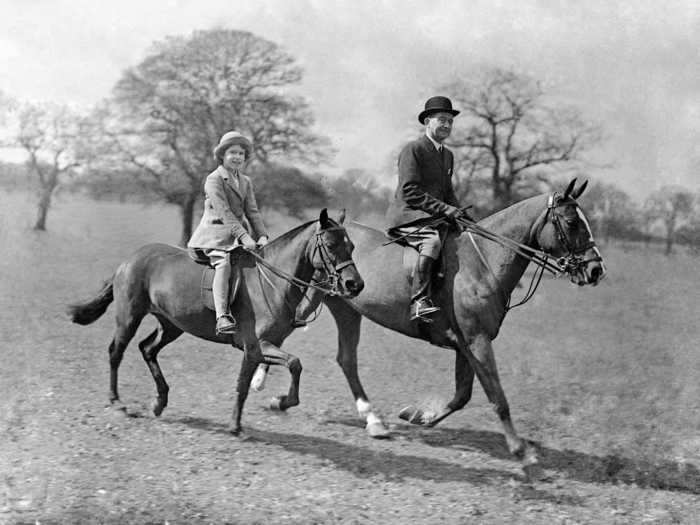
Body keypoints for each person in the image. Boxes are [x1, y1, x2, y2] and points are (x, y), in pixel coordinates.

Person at [386, 96, 471, 322]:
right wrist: (445, 209)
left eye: (450, 122)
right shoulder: (413, 149)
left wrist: (463, 215)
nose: (446, 125)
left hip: (434, 217)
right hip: (409, 215)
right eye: (442, 120)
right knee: (432, 242)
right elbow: (409, 191)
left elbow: (448, 193)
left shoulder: (448, 155)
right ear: (427, 122)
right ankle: (419, 301)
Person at [187, 131, 269, 335]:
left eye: (241, 153)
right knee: (223, 264)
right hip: (213, 238)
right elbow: (225, 213)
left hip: (237, 237)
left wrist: (262, 235)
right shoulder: (213, 180)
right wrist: (245, 237)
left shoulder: (245, 181)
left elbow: (252, 211)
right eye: (232, 152)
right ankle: (222, 316)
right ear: (222, 155)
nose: (237, 157)